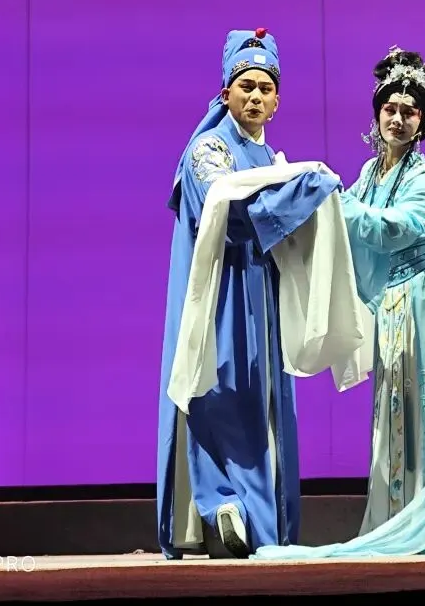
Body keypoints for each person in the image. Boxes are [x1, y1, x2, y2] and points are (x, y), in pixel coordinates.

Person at [253, 45, 425, 559]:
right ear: (377, 114)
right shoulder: (370, 173)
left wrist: (336, 201)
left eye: (409, 111)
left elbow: (400, 228)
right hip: (392, 304)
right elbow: (341, 222)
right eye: (390, 108)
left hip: (423, 301)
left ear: (423, 122)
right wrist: (304, 199)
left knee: (424, 405)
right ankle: (397, 513)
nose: (397, 118)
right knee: (393, 406)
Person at [156, 27, 347, 561]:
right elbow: (235, 215)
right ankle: (224, 504)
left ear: (278, 100)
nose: (256, 97)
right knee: (219, 394)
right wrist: (303, 191)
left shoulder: (269, 158)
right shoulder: (209, 150)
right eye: (246, 87)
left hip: (260, 295)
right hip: (220, 296)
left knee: (260, 402)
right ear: (226, 93)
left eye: (266, 88)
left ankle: (254, 521)